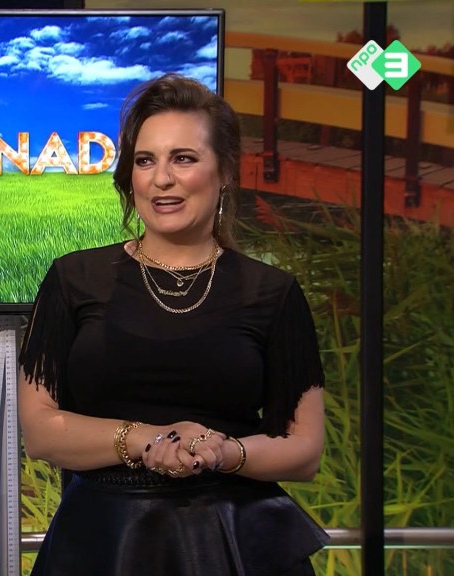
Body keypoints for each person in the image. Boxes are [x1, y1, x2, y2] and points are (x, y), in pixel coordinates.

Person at [18, 73, 329, 576]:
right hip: (103, 542)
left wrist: (223, 452)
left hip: (235, 542)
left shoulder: (272, 292)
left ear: (225, 171)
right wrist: (149, 440)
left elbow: (304, 450)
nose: (161, 179)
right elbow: (40, 432)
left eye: (183, 158)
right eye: (145, 161)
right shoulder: (73, 278)